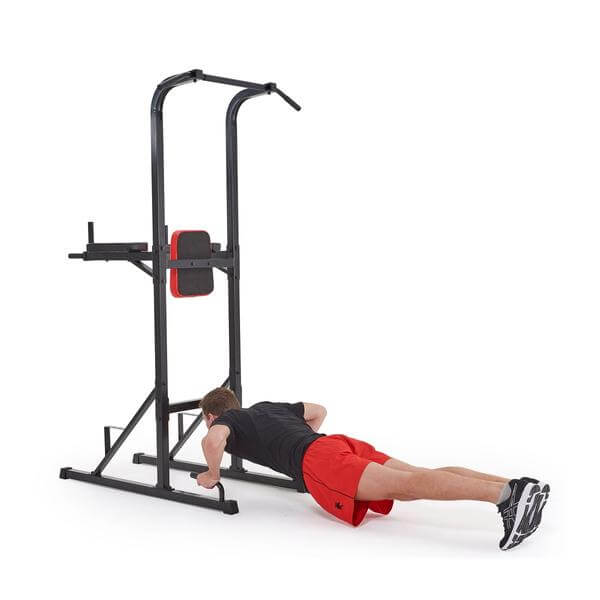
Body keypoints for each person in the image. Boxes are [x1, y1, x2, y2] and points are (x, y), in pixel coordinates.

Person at [195, 387, 550, 551]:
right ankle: (519, 486)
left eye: (208, 421)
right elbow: (318, 410)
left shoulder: (227, 422)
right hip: (337, 444)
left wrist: (213, 474)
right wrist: (306, 441)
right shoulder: (265, 407)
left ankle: (507, 496)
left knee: (412, 485)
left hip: (320, 461)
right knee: (418, 475)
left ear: (211, 416)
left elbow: (214, 441)